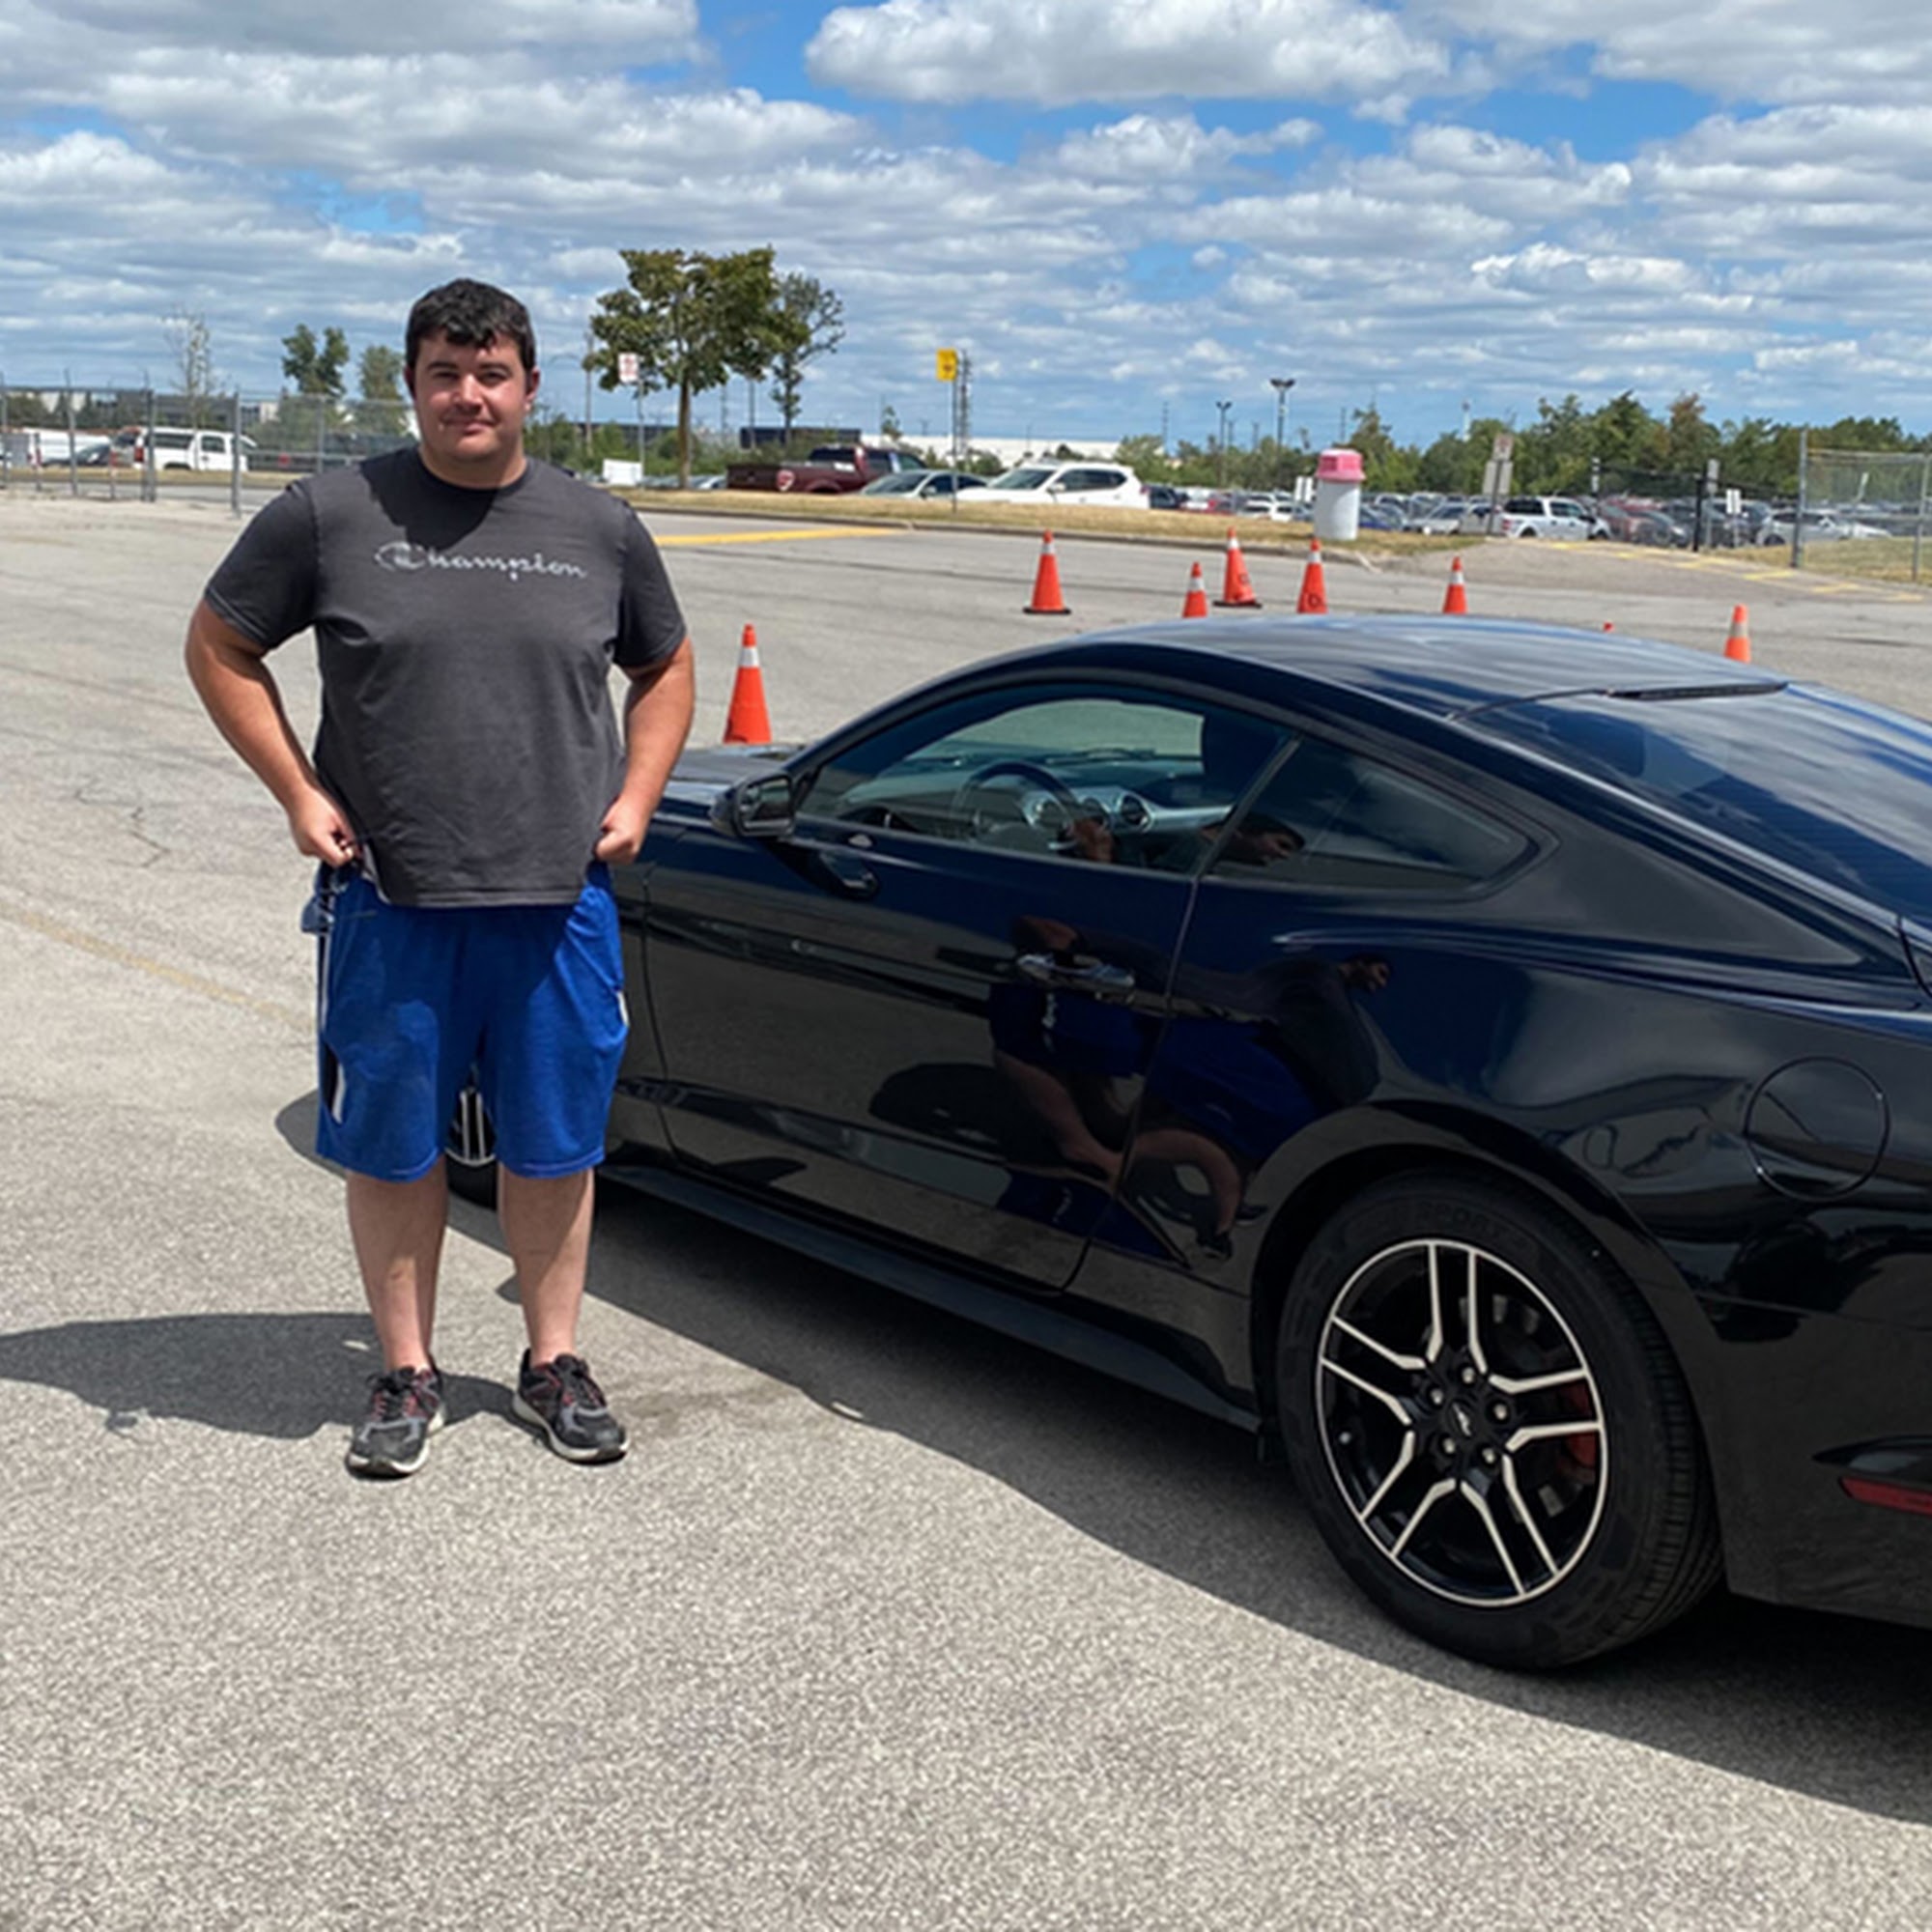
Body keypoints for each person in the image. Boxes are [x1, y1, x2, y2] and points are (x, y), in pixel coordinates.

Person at [185, 277, 696, 1478]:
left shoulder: (599, 527)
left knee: (553, 1145)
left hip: (557, 901)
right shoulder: (329, 515)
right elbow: (219, 645)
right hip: (392, 897)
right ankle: (406, 1368)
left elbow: (665, 666)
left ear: (529, 385)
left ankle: (552, 1359)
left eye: (491, 373)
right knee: (392, 1146)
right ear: (411, 384)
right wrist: (299, 792)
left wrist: (636, 796)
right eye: (444, 374)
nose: (469, 395)